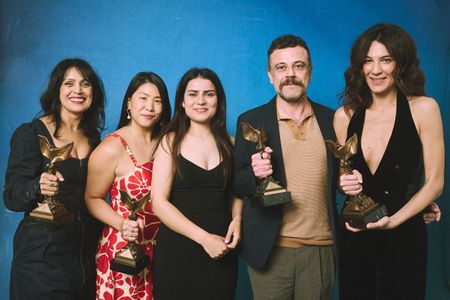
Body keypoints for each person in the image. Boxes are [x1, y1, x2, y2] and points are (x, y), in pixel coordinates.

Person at [334, 23, 445, 299]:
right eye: (368, 61)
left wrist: (395, 220)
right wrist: (344, 183)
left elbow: (435, 182)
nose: (375, 70)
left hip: (405, 237)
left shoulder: (424, 109)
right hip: (356, 237)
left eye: (386, 60)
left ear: (401, 63)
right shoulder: (344, 116)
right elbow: (344, 178)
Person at [233, 34, 338, 300]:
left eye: (298, 66)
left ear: (310, 73)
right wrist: (256, 175)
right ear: (270, 75)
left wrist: (406, 195)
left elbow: (350, 173)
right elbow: (236, 182)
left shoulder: (333, 120)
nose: (290, 74)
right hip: (270, 251)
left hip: (321, 248)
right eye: (281, 67)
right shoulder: (251, 120)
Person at [3, 58, 105, 299]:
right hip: (42, 259)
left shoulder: (94, 139)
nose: (78, 90)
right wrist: (37, 186)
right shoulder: (30, 134)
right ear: (57, 89)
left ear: (94, 92)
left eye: (85, 84)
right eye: (69, 83)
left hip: (84, 259)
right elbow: (11, 198)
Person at [151, 68, 243, 299]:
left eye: (209, 94)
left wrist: (238, 219)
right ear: (182, 101)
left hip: (222, 250)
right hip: (178, 250)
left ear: (218, 100)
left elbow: (238, 192)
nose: (201, 101)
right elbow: (159, 203)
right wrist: (204, 239)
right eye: (193, 94)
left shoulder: (233, 145)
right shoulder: (169, 142)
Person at [84, 72, 171, 300]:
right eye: (143, 98)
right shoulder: (111, 147)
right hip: (124, 250)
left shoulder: (168, 142)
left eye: (158, 100)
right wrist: (121, 223)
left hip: (162, 249)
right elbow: (92, 198)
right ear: (129, 103)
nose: (149, 107)